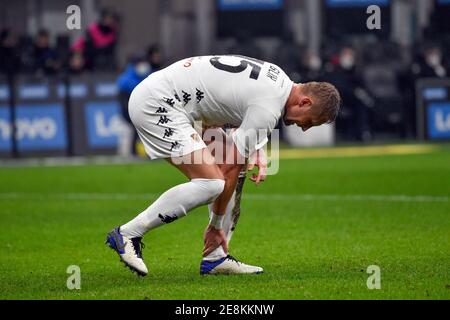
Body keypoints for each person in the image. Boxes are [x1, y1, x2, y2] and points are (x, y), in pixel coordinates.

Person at [106, 55, 341, 276]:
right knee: (213, 184)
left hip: (175, 100)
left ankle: (215, 258)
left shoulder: (279, 79)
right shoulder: (269, 107)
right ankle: (128, 233)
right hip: (159, 103)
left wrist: (256, 148)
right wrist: (216, 226)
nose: (304, 128)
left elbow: (239, 105)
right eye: (309, 121)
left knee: (231, 173)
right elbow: (231, 164)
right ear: (305, 101)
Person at [117, 56, 152, 156]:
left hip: (141, 113)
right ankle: (129, 155)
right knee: (127, 137)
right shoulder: (126, 80)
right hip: (128, 114)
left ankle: (137, 153)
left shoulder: (145, 77)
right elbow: (123, 102)